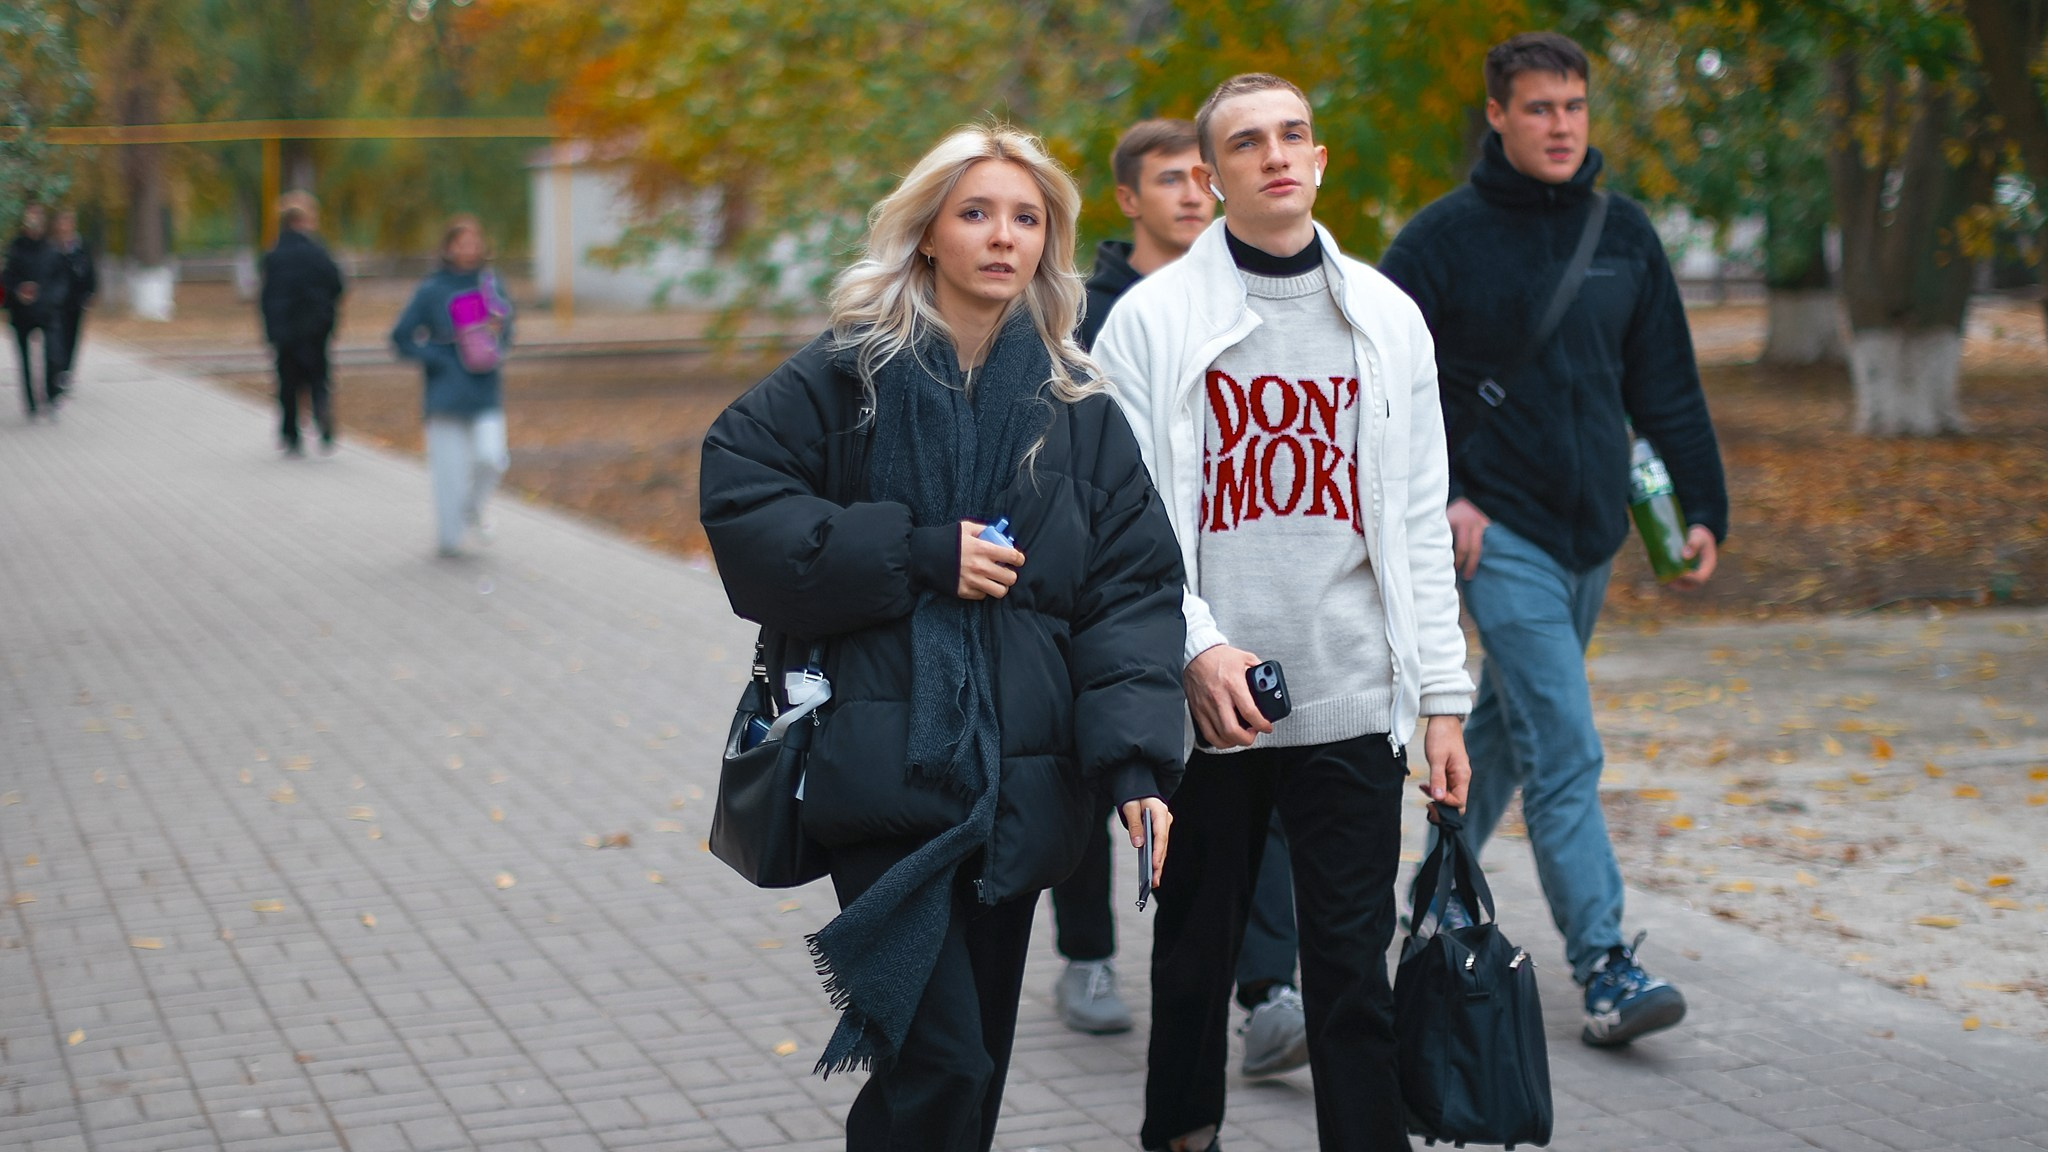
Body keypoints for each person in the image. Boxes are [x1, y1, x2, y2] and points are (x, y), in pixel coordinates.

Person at [699, 125, 1187, 1152]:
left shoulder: (1076, 407)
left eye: (1025, 218)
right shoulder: (851, 376)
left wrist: (1137, 763)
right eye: (975, 213)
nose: (1002, 236)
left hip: (1020, 780)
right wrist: (915, 553)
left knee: (971, 1079)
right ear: (927, 232)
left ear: (1047, 241)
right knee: (943, 1065)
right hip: (880, 765)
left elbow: (1130, 594)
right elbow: (741, 497)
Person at [1094, 74, 1475, 1152]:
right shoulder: (1151, 322)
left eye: (1292, 135)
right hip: (1207, 703)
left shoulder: (1387, 317)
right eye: (1246, 142)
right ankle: (1183, 1134)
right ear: (1212, 177)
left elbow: (1416, 521)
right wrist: (1194, 648)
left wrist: (1442, 699)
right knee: (1193, 954)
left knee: (1351, 971)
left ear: (1319, 159)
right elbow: (1127, 521)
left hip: (1349, 691)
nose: (1274, 154)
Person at [1378, 31, 1727, 1049]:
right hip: (1496, 535)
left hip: (1591, 535)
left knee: (1503, 724)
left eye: (1572, 106)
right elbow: (1383, 389)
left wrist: (1701, 507)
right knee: (1565, 744)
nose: (1560, 125)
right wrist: (1446, 497)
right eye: (1538, 108)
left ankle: (1435, 899)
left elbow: (1665, 381)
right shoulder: (1439, 240)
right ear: (1497, 115)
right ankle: (1605, 966)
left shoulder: (1623, 233)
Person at [391, 215, 514, 559]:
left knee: (492, 458)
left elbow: (507, 330)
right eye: (462, 242)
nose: (469, 249)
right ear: (448, 247)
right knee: (449, 475)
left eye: (474, 242)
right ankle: (450, 537)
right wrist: (438, 357)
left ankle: (474, 508)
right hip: (445, 393)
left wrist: (495, 335)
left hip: (484, 388)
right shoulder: (433, 289)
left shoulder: (491, 283)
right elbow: (401, 337)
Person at [259, 191, 345, 456]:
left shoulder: (274, 255)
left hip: (285, 330)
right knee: (318, 376)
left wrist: (271, 328)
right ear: (304, 221)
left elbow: (266, 296)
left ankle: (291, 433)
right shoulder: (318, 253)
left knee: (288, 381)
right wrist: (326, 315)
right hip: (315, 327)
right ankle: (321, 411)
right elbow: (337, 284)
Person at [3, 204, 68, 420]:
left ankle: (51, 394)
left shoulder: (51, 249)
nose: (34, 223)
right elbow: (7, 278)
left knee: (54, 356)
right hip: (21, 312)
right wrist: (18, 291)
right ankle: (30, 402)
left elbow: (60, 280)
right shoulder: (15, 248)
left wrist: (49, 298)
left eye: (37, 219)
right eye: (30, 219)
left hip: (47, 311)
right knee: (25, 360)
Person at [52, 209, 96, 392]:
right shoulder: (53, 246)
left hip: (76, 300)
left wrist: (91, 292)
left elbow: (90, 269)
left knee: (72, 337)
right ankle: (57, 369)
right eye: (62, 222)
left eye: (68, 222)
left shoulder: (81, 245)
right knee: (57, 337)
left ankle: (66, 372)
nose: (65, 226)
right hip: (56, 302)